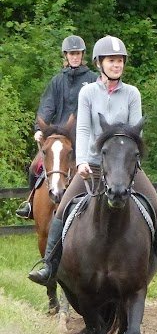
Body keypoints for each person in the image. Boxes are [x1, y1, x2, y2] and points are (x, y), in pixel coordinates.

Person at [28, 35, 157, 288]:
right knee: (61, 210)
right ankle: (48, 264)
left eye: (120, 61)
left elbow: (137, 132)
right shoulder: (88, 93)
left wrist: (131, 163)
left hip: (125, 167)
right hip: (93, 165)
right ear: (99, 63)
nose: (117, 65)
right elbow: (81, 129)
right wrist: (81, 160)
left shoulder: (132, 94)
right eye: (112, 60)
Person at [15, 35, 98, 219]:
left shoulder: (93, 79)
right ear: (66, 56)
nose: (75, 57)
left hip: (84, 137)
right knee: (35, 166)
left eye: (77, 53)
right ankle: (30, 203)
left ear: (82, 55)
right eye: (71, 54)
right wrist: (39, 129)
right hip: (59, 137)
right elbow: (47, 106)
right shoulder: (57, 81)